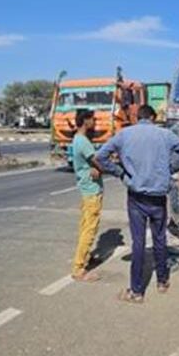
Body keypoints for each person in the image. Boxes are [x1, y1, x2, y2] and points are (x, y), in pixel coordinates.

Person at [95, 105, 179, 303]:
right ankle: (162, 281)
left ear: (137, 117)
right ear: (152, 117)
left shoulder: (124, 135)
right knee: (159, 238)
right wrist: (168, 169)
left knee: (138, 243)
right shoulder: (165, 134)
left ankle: (137, 291)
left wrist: (120, 172)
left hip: (136, 197)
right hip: (158, 196)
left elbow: (101, 157)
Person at [71, 108, 104, 282]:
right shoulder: (83, 141)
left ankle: (86, 257)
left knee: (85, 226)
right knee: (89, 230)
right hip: (91, 191)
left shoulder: (78, 139)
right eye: (93, 119)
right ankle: (78, 268)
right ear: (85, 121)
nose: (95, 122)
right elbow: (96, 161)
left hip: (87, 189)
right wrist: (103, 168)